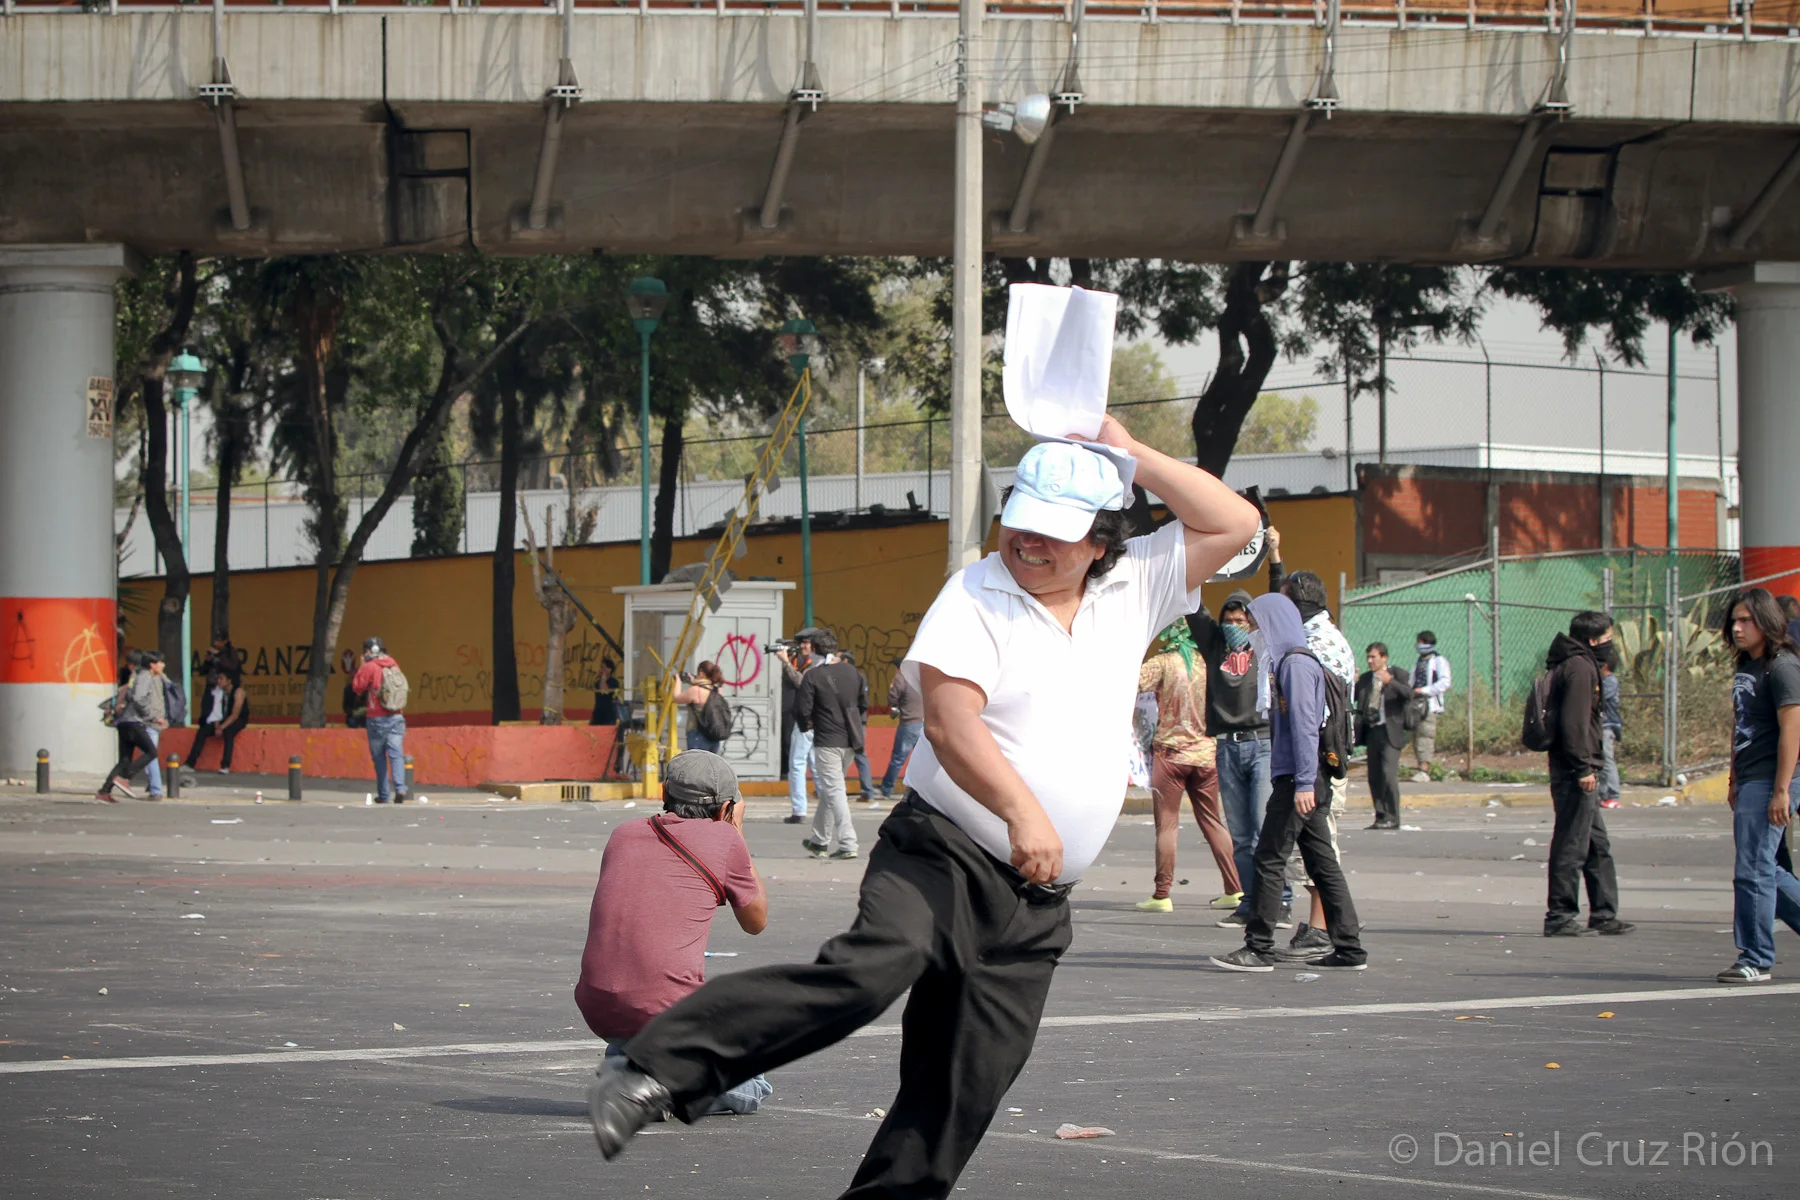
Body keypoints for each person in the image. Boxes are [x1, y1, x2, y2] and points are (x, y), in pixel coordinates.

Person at [588, 419, 1260, 1193]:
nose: (1028, 542)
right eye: (1019, 521)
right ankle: (653, 1067)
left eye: (1052, 531)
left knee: (961, 1087)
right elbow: (949, 720)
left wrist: (1131, 453)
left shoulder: (1135, 584)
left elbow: (1235, 522)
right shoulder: (977, 593)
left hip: (1037, 902)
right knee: (868, 972)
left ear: (1101, 541)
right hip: (944, 854)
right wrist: (1021, 811)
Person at [575, 750, 773, 1112]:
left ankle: (632, 1066)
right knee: (755, 1085)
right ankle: (662, 1091)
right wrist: (736, 830)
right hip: (664, 1010)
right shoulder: (725, 839)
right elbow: (756, 921)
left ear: (664, 792)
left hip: (599, 1007)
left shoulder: (624, 833)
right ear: (725, 808)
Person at [1210, 593, 1368, 972]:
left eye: (1257, 625)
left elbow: (1305, 727)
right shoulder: (1286, 662)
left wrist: (1303, 784)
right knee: (1322, 862)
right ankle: (1349, 948)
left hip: (1299, 777)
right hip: (1303, 776)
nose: (1254, 633)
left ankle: (1259, 947)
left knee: (1269, 858)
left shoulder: (1295, 665)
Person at [1270, 563, 1357, 947]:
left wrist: (1305, 779)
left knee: (1297, 856)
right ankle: (1338, 935)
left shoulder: (1310, 648)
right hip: (1320, 761)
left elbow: (1309, 718)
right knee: (1316, 852)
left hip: (1313, 763)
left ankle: (1317, 930)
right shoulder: (1327, 635)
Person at [1717, 589, 1800, 985]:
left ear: (1766, 622)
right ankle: (1756, 953)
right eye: (1734, 620)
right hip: (1751, 777)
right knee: (1764, 867)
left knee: (1753, 869)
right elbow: (1741, 725)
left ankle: (1755, 959)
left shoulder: (1782, 667)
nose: (1737, 628)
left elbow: (1792, 730)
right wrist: (1734, 777)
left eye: (1746, 620)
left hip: (1773, 777)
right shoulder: (1748, 667)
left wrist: (1781, 790)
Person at [1133, 619, 1236, 913]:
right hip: (1206, 756)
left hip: (1171, 756)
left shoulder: (1164, 663)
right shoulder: (1209, 663)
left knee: (1167, 825)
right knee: (1213, 822)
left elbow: (1130, 683)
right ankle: (1234, 889)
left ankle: (1162, 894)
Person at [1541, 611, 1633, 938]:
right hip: (1575, 770)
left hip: (1581, 767)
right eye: (1607, 638)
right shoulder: (1580, 668)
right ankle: (1560, 916)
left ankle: (1604, 913)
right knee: (1572, 843)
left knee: (1596, 844)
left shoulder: (1578, 664)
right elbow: (1574, 723)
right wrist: (1583, 767)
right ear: (1593, 641)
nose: (1611, 644)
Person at [794, 629, 867, 861]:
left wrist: (806, 726)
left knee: (835, 791)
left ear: (814, 649)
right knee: (830, 789)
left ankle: (848, 842)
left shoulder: (813, 675)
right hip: (851, 740)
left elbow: (802, 710)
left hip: (827, 741)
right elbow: (863, 705)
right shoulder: (854, 673)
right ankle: (819, 840)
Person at [1355, 643, 1413, 831]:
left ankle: (1393, 817)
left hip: (1390, 731)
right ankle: (1380, 816)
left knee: (1388, 774)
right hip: (1372, 731)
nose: (1370, 661)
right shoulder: (1366, 679)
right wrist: (1351, 682)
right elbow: (1352, 697)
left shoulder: (1398, 674)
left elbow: (1408, 694)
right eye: (1368, 657)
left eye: (1374, 657)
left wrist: (1390, 682)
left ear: (1384, 657)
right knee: (1374, 776)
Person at [97, 649, 166, 802]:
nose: (163, 665)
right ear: (152, 665)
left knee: (124, 760)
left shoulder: (137, 676)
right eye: (160, 662)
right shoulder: (145, 676)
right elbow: (138, 698)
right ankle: (125, 777)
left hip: (125, 722)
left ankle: (104, 792)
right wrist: (153, 717)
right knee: (151, 752)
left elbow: (129, 695)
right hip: (134, 722)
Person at [351, 637, 408, 804]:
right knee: (396, 754)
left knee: (379, 758)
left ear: (368, 651)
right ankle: (401, 788)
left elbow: (357, 687)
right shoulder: (393, 664)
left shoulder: (370, 667)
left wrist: (362, 666)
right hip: (397, 716)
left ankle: (384, 795)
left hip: (377, 718)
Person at [776, 630, 818, 825]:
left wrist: (786, 662)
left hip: (807, 722)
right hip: (817, 722)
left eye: (806, 643)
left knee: (798, 765)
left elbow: (802, 683)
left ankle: (800, 810)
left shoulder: (813, 666)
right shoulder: (821, 663)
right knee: (816, 766)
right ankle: (828, 806)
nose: (802, 647)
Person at [185, 668, 250, 773]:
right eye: (218, 678)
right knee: (202, 731)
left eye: (221, 678)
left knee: (229, 732)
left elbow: (235, 715)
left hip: (237, 720)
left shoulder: (238, 692)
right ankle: (190, 764)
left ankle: (225, 765)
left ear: (229, 681)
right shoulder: (218, 691)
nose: (218, 681)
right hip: (221, 719)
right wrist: (216, 726)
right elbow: (216, 711)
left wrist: (221, 727)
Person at [1409, 631, 1453, 782]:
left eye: (1420, 642)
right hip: (1416, 704)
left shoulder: (1439, 661)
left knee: (1425, 736)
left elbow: (1445, 682)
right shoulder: (1419, 662)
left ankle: (1424, 770)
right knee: (1415, 737)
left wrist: (1425, 690)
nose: (1418, 645)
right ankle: (1420, 767)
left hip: (1430, 705)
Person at [877, 668, 925, 803]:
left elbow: (893, 697)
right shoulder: (920, 677)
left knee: (898, 758)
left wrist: (893, 692)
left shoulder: (902, 677)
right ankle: (922, 790)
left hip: (908, 723)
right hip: (922, 723)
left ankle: (886, 788)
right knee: (922, 759)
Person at [670, 661, 730, 753]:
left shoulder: (696, 690)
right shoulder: (717, 691)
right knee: (711, 762)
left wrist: (678, 680)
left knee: (697, 762)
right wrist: (694, 682)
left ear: (701, 674)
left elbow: (676, 698)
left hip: (697, 735)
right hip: (714, 735)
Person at [1598, 653, 1623, 809]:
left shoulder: (1610, 681)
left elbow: (1599, 697)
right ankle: (1603, 794)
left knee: (1607, 760)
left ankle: (1614, 795)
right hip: (1600, 725)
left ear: (1605, 666)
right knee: (1600, 760)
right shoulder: (1602, 681)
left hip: (1607, 725)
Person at [589, 658, 622, 727]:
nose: (601, 670)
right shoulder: (598, 683)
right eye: (601, 668)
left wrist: (603, 678)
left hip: (609, 717)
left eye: (603, 668)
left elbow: (605, 691)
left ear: (609, 669)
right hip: (597, 717)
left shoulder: (614, 682)